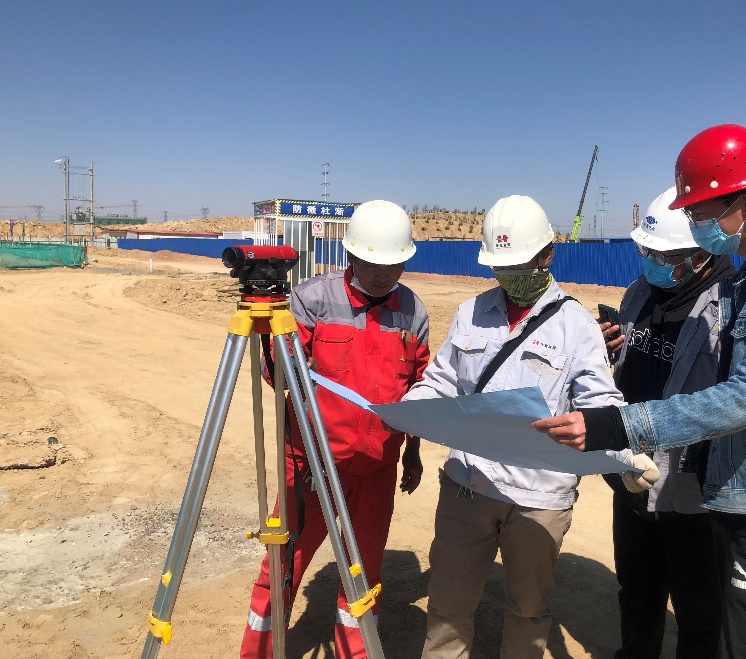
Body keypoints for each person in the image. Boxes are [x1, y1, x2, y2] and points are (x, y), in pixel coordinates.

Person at [535, 124, 746, 659]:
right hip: (720, 490)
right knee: (664, 604)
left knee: (734, 634)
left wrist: (619, 425)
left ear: (745, 206)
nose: (695, 224)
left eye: (702, 214)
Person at [402, 194, 654, 659]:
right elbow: (441, 380)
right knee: (448, 607)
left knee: (529, 611)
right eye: (502, 267)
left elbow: (599, 402)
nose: (511, 275)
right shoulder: (470, 314)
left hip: (539, 499)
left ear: (547, 255)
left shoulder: (575, 326)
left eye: (520, 264)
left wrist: (625, 452)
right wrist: (411, 408)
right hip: (468, 486)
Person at [240, 200, 430, 659]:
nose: (384, 275)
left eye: (394, 264)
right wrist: (275, 346)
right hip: (312, 464)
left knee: (364, 572)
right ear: (351, 255)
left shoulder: (413, 310)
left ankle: (356, 652)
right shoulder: (313, 299)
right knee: (283, 566)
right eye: (373, 264)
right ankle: (260, 652)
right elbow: (276, 372)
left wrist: (413, 452)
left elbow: (419, 388)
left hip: (377, 466)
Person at [600, 186, 735, 659]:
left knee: (700, 611)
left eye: (667, 257)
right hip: (632, 473)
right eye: (648, 253)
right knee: (637, 591)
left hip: (692, 491)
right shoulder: (640, 292)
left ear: (701, 253)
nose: (655, 264)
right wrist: (610, 348)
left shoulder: (730, 306)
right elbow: (630, 371)